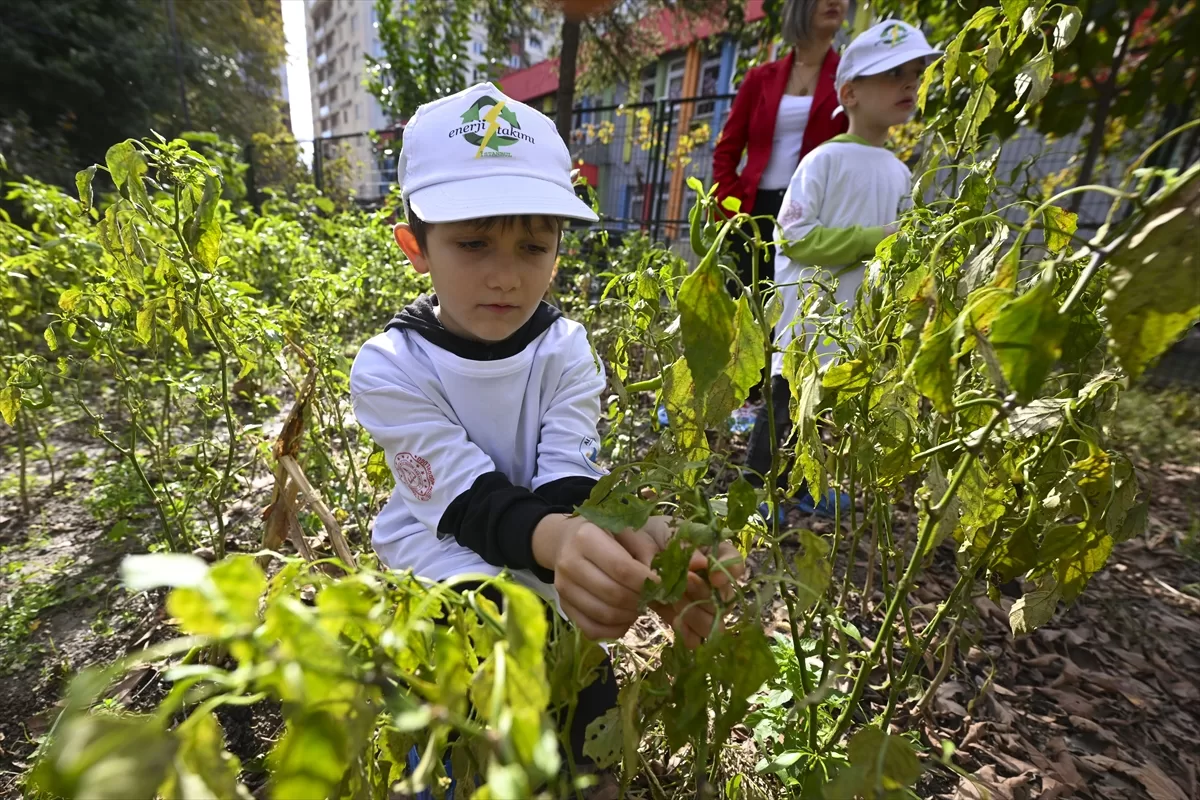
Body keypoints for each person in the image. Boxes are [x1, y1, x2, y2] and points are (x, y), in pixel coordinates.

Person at [349, 83, 742, 778]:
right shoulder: (390, 367)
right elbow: (467, 502)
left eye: (532, 246)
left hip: (544, 541)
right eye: (472, 243)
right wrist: (569, 547)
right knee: (474, 663)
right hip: (441, 556)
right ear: (415, 247)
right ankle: (443, 765)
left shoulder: (564, 349)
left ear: (558, 252)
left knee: (585, 691)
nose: (505, 276)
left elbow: (569, 474)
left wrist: (642, 552)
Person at [743, 20, 941, 518]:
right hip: (806, 323)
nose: (909, 84)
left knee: (826, 415)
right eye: (893, 74)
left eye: (914, 74)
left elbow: (904, 249)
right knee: (784, 410)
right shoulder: (822, 161)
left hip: (854, 323)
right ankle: (758, 495)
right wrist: (875, 241)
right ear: (850, 92)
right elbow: (794, 235)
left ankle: (805, 487)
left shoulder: (899, 171)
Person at [712, 0, 850, 305]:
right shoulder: (760, 79)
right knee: (746, 311)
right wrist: (732, 207)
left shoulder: (848, 79)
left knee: (797, 309)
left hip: (813, 214)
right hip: (754, 213)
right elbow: (726, 151)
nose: (836, 2)